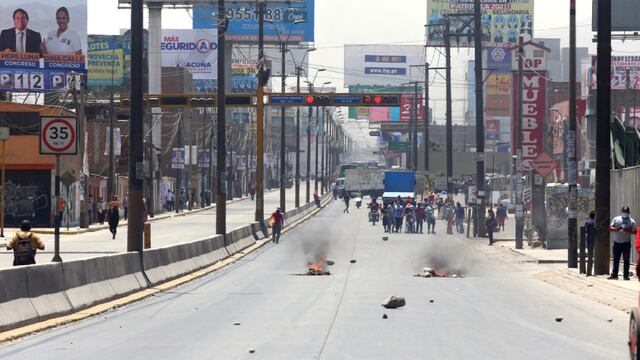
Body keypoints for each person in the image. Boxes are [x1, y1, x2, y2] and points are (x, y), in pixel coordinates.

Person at [608, 206, 637, 280]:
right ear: (621, 212)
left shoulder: (632, 221)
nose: (625, 213)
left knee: (626, 260)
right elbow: (610, 228)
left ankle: (626, 275)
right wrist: (616, 229)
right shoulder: (616, 219)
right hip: (617, 242)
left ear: (629, 213)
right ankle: (615, 275)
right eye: (624, 212)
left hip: (626, 243)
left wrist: (628, 230)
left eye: (626, 212)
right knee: (616, 259)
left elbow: (635, 231)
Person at [584, 211, 596, 277]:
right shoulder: (597, 222)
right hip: (598, 241)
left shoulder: (587, 222)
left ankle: (589, 272)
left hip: (590, 240)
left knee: (590, 256)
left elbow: (586, 231)